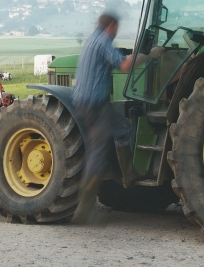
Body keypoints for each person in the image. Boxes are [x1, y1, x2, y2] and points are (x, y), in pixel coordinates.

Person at [70, 12, 163, 224]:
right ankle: (86, 207)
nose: (116, 32)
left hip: (83, 102)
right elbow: (123, 66)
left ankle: (127, 176)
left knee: (120, 130)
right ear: (111, 25)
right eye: (116, 28)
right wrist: (149, 55)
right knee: (99, 150)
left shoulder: (91, 40)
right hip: (95, 104)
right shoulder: (103, 41)